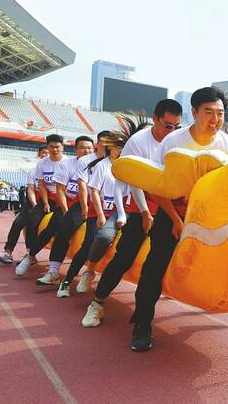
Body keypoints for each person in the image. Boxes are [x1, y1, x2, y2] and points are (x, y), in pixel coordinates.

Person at [128, 87, 228, 352]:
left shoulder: (226, 144)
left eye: (220, 113)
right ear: (194, 112)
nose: (215, 119)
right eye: (209, 112)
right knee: (154, 266)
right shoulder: (173, 142)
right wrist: (176, 220)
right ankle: (142, 325)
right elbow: (157, 185)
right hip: (172, 211)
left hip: (208, 214)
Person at [81, 99, 182, 343]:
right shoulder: (138, 142)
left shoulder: (179, 141)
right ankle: (97, 302)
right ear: (156, 119)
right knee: (125, 255)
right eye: (168, 125)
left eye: (177, 126)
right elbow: (136, 181)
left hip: (169, 207)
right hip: (141, 206)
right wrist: (146, 213)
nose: (172, 131)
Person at [65, 125, 136, 295]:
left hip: (124, 211)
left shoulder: (129, 166)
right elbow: (93, 191)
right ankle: (86, 271)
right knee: (101, 237)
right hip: (104, 212)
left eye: (124, 147)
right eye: (118, 147)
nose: (121, 151)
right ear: (110, 148)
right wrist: (100, 215)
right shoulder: (101, 166)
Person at [53, 132, 112, 296]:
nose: (109, 147)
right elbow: (88, 188)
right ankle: (67, 281)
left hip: (118, 212)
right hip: (97, 209)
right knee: (89, 242)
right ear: (98, 144)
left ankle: (90, 272)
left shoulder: (124, 164)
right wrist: (91, 210)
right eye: (105, 143)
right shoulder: (96, 164)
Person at [31, 135, 96, 286]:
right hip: (75, 204)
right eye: (82, 147)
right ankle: (53, 271)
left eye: (89, 148)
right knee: (62, 229)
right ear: (75, 150)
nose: (86, 151)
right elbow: (60, 189)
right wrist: (66, 210)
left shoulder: (100, 164)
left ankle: (88, 272)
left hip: (99, 205)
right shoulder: (67, 164)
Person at [15, 135, 68, 276]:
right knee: (32, 220)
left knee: (55, 226)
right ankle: (30, 255)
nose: (55, 149)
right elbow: (42, 185)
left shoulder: (69, 163)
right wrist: (45, 203)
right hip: (49, 197)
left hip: (65, 198)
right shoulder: (43, 163)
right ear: (48, 147)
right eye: (52, 147)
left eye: (58, 147)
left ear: (63, 147)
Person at [0, 145, 48, 266]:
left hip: (50, 203)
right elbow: (31, 189)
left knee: (32, 224)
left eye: (48, 153)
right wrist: (34, 205)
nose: (46, 155)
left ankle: (30, 254)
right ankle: (8, 252)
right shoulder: (33, 171)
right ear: (39, 155)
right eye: (44, 152)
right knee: (17, 223)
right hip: (34, 203)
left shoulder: (59, 169)